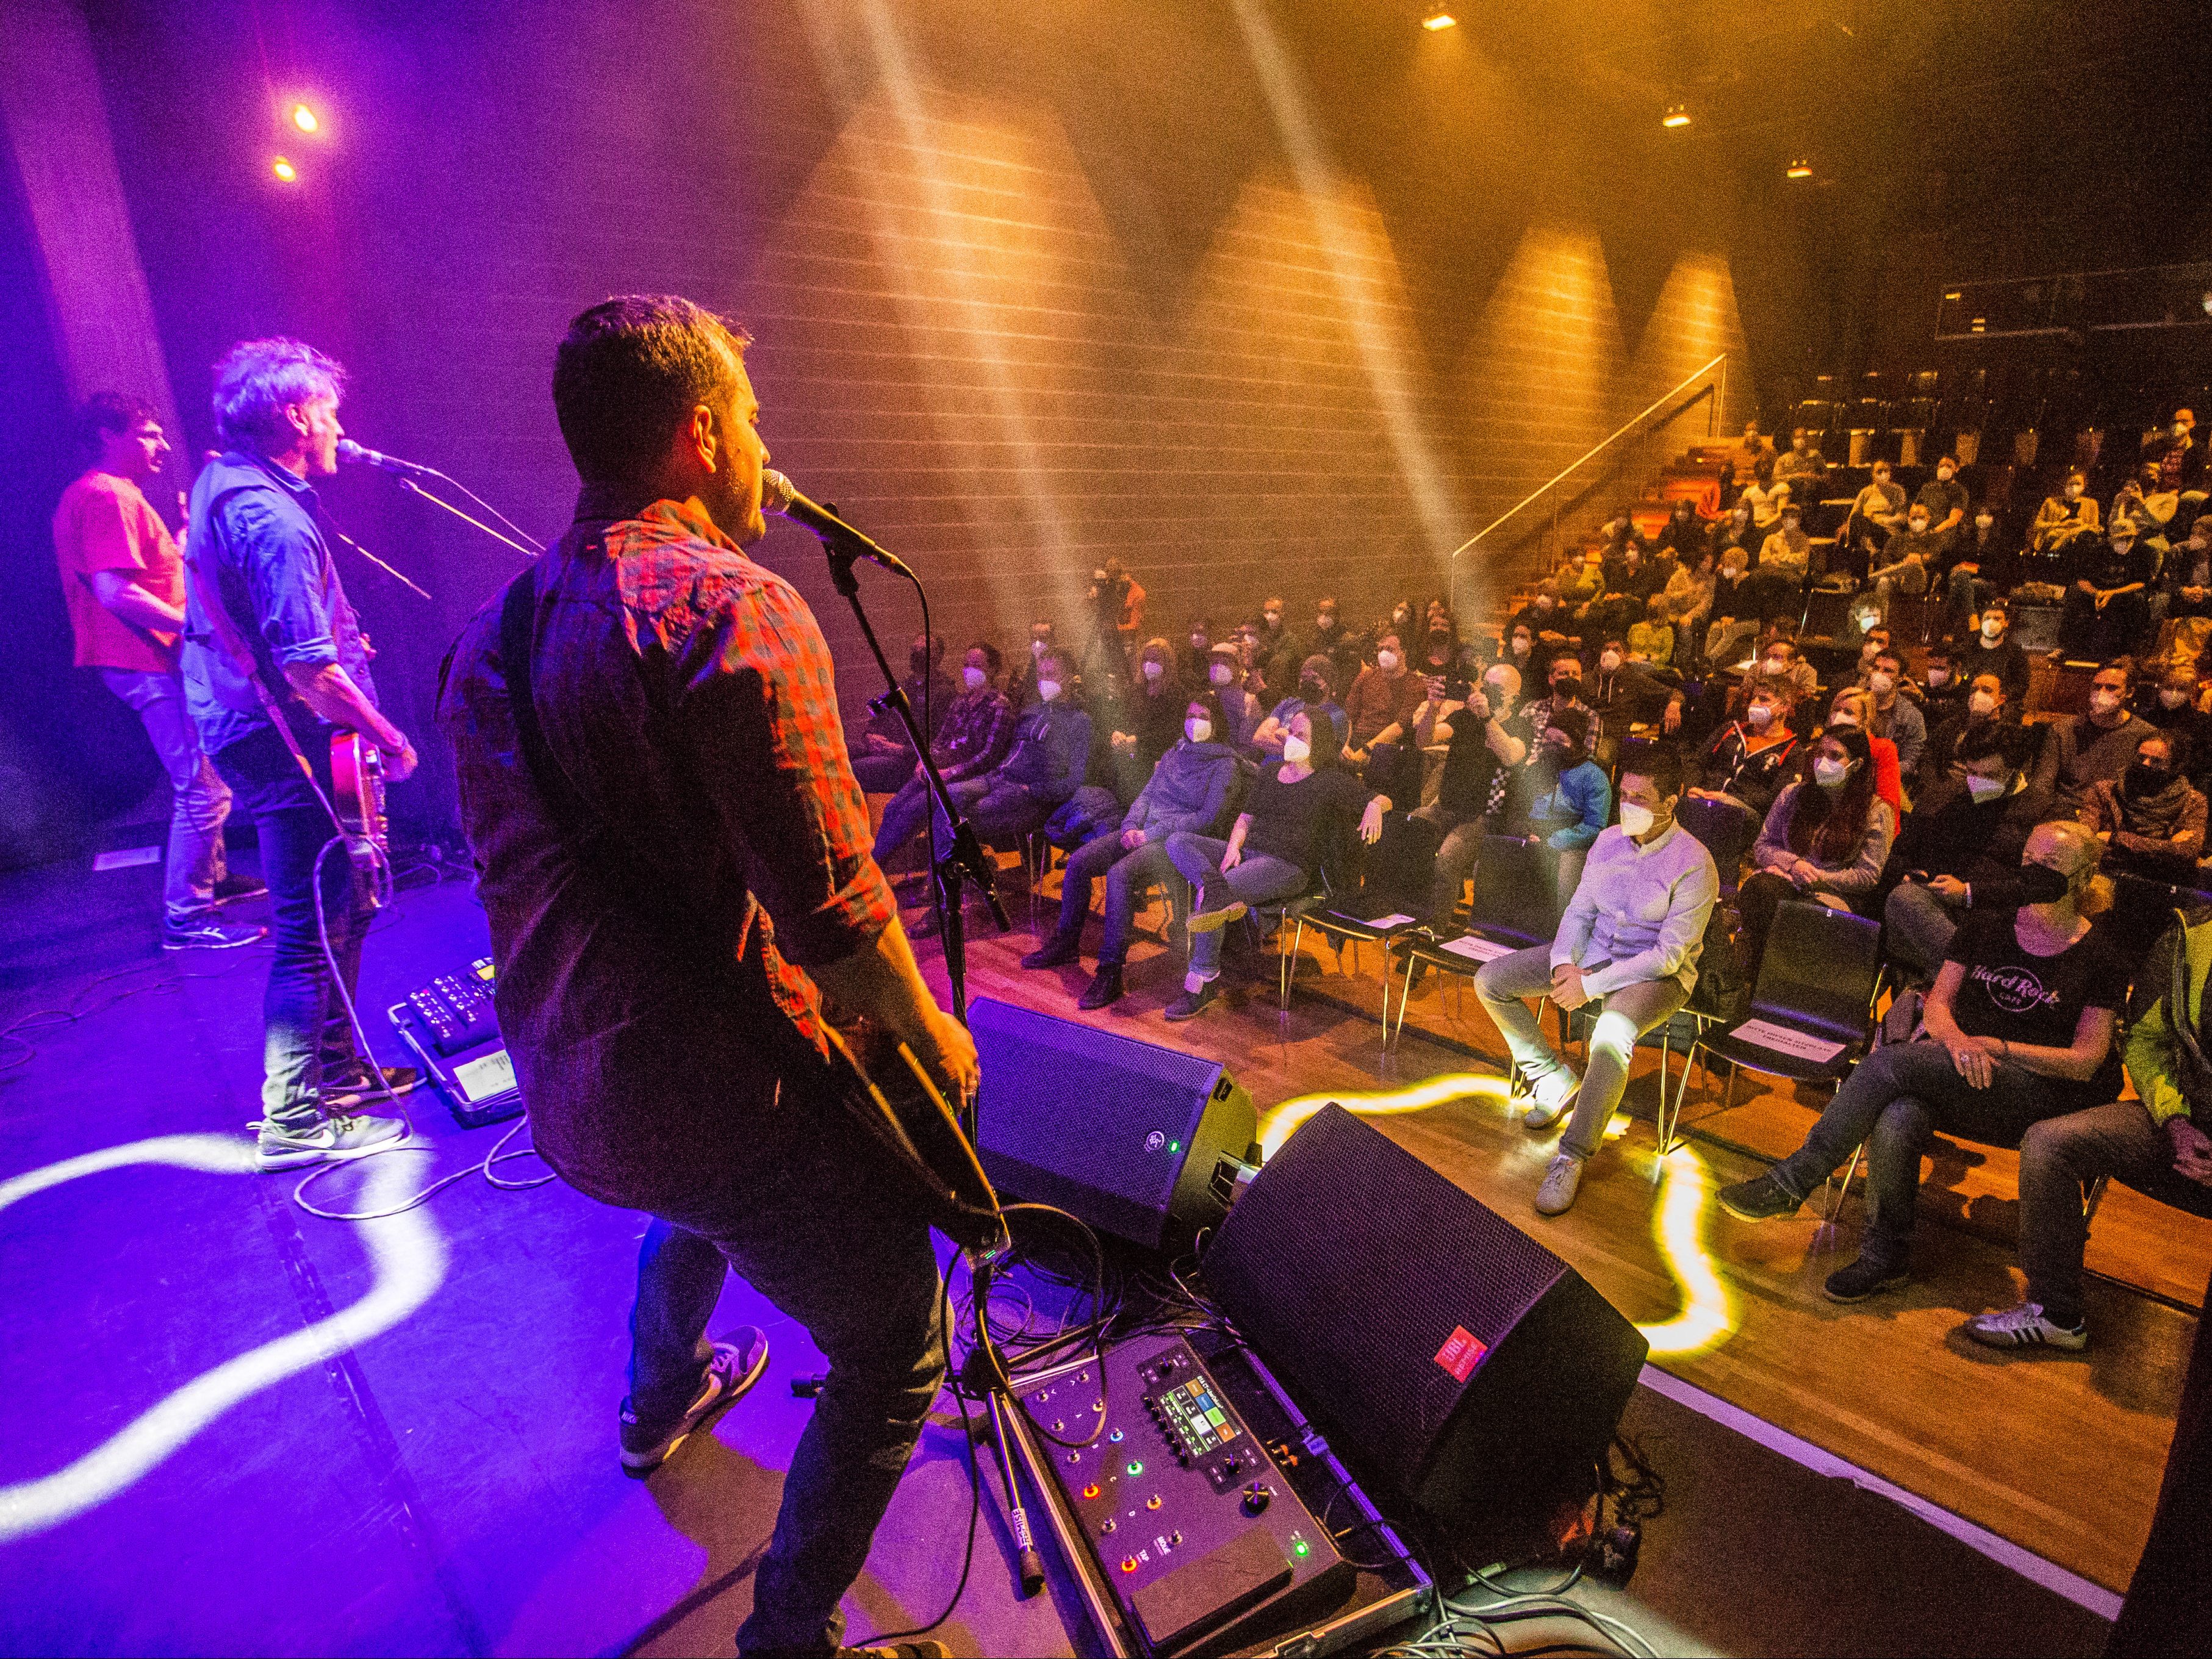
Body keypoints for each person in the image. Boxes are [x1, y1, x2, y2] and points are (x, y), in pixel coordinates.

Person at [436, 295, 981, 1655]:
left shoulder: (492, 636)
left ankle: (657, 1397)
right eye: (750, 417)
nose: (762, 444)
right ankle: (787, 1633)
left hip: (570, 1086)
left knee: (687, 1199)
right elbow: (838, 921)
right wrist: (931, 1041)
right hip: (709, 1099)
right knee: (897, 1344)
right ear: (698, 436)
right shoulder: (736, 611)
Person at [182, 339, 420, 1170]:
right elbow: (308, 668)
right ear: (294, 415)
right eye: (327, 411)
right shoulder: (273, 519)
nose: (338, 427)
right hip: (289, 742)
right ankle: (293, 1118)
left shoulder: (224, 481)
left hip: (250, 726)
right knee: (310, 921)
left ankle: (337, 1070)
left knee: (345, 900)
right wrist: (389, 739)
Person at [1718, 823, 2126, 1308]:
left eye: (2050, 867)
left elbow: (2086, 1061)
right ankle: (1885, 1256)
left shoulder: (2102, 956)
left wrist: (1993, 1047)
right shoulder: (1990, 926)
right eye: (2028, 860)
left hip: (2042, 1091)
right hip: (1963, 1069)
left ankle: (1793, 1180)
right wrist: (1959, 1045)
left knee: (1889, 1066)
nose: (2033, 874)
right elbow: (1938, 1006)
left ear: (2083, 878)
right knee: (1899, 1114)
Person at [53, 392, 262, 949]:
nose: (163, 444)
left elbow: (146, 574)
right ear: (107, 435)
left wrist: (183, 542)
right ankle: (187, 917)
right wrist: (193, 627)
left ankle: (213, 879)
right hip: (144, 659)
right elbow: (114, 591)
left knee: (204, 777)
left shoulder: (115, 496)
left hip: (150, 657)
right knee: (203, 788)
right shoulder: (106, 495)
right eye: (147, 433)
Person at [1473, 749, 1717, 1217]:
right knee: (1491, 980)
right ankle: (1553, 1079)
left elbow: (1668, 956)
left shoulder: (1696, 863)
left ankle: (1573, 1155)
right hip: (1594, 954)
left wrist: (1593, 985)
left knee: (1611, 1033)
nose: (1626, 804)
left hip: (1657, 974)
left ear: (1672, 800)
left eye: (1639, 797)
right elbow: (1580, 912)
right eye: (1623, 793)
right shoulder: (1606, 840)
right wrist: (1565, 963)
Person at [1991, 905, 2212, 1351]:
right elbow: (2146, 1042)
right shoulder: (2194, 934)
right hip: (2187, 1123)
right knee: (2050, 1142)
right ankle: (2056, 1315)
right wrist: (2175, 1120)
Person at [1163, 710, 1387, 1022]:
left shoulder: (1331, 781)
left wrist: (1375, 805)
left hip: (1288, 866)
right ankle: (1214, 887)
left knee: (1214, 896)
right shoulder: (1270, 774)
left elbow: (1383, 798)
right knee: (1178, 841)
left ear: (1318, 744)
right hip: (1251, 854)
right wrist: (1233, 847)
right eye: (1291, 731)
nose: (1290, 739)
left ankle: (1203, 982)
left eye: (1301, 735)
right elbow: (1245, 818)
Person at [1024, 690, 1238, 1009]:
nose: (1195, 723)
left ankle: (1111, 970)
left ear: (1217, 723)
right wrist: (1129, 827)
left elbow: (1207, 818)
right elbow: (1147, 795)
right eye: (1191, 715)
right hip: (1142, 831)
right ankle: (1066, 942)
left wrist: (1150, 833)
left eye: (1204, 717)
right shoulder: (1173, 753)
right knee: (1081, 861)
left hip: (1175, 842)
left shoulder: (1225, 765)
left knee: (1120, 874)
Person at [1882, 729, 2049, 984]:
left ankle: (1959, 981)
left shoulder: (2043, 811)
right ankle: (1974, 979)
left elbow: (2039, 884)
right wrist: (1907, 874)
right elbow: (1900, 852)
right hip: (1936, 906)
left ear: (2015, 770)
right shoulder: (1944, 796)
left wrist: (1970, 892)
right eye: (1972, 773)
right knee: (1903, 899)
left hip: (1996, 915)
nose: (1978, 782)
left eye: (1990, 776)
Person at [1736, 727, 1896, 983]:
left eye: (1835, 756)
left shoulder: (1877, 811)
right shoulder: (1794, 794)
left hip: (1835, 894)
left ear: (1857, 764)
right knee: (1761, 891)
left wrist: (1818, 877)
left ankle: (1778, 987)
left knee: (1804, 915)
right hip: (1787, 878)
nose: (1823, 762)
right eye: (1820, 753)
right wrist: (1794, 864)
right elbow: (1763, 846)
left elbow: (1868, 876)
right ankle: (1757, 984)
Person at [870, 642, 1018, 871]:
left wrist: (949, 772)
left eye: (976, 665)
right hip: (939, 769)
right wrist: (925, 760)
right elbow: (942, 739)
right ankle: (874, 862)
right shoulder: (960, 701)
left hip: (966, 775)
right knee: (893, 807)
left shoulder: (1000, 706)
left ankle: (879, 866)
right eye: (967, 664)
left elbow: (989, 756)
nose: (969, 670)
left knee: (911, 811)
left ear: (994, 669)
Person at [1409, 662, 1529, 932]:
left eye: (1495, 687)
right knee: (1408, 828)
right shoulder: (1465, 717)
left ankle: (1434, 932)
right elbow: (1423, 740)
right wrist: (1433, 707)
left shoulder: (1520, 726)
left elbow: (1510, 755)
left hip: (1484, 816)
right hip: (1446, 806)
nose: (1486, 691)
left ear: (1514, 695)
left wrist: (1488, 718)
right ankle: (1409, 915)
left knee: (1447, 860)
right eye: (1485, 684)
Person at [1512, 705, 1612, 905]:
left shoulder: (1593, 776)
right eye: (1548, 740)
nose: (1552, 746)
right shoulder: (1537, 770)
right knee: (1495, 859)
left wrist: (1553, 840)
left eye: (1560, 741)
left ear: (1576, 743)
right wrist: (1523, 832)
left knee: (1567, 873)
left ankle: (1562, 928)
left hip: (1571, 841)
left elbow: (1595, 826)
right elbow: (1518, 809)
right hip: (1533, 833)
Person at [2079, 730, 2206, 883]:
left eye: (2156, 761)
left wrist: (2115, 838)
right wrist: (2166, 846)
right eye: (2141, 757)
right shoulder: (2104, 791)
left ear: (2174, 767)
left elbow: (2187, 852)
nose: (2145, 764)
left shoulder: (2193, 801)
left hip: (2160, 882)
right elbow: (2086, 840)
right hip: (2107, 876)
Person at [2034, 661, 2150, 819]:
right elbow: (2042, 785)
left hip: (2111, 817)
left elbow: (2144, 792)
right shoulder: (2063, 730)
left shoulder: (2145, 736)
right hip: (2065, 813)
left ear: (2129, 692)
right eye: (2097, 687)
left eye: (2111, 688)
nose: (2102, 693)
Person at [849, 632, 954, 793]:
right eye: (915, 649)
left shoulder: (944, 693)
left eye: (922, 650)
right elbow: (879, 715)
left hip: (906, 760)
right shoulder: (905, 686)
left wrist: (895, 748)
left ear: (936, 657)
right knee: (842, 753)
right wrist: (870, 735)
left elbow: (937, 743)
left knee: (853, 770)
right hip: (884, 750)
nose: (916, 654)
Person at [1686, 682, 1799, 819]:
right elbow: (1697, 761)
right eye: (1754, 698)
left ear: (1784, 707)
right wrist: (1692, 786)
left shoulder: (1793, 750)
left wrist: (1729, 799)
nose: (1754, 703)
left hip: (1741, 814)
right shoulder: (1730, 729)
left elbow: (1776, 797)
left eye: (1764, 699)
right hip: (1701, 798)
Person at [2060, 521, 2155, 661]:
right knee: (2075, 594)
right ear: (2111, 538)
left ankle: (2131, 653)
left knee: (2139, 600)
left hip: (2124, 595)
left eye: (2129, 539)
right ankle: (2068, 648)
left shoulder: (2142, 552)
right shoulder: (2097, 551)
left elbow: (2141, 583)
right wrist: (2097, 593)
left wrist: (2113, 594)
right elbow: (2082, 580)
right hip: (2098, 593)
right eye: (2121, 538)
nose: (2125, 542)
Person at [1341, 630, 1427, 758]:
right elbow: (1349, 716)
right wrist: (1345, 745)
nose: (1383, 654)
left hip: (1387, 748)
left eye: (1389, 649)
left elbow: (1400, 727)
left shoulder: (1415, 684)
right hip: (1355, 742)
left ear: (1404, 653)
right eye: (1380, 649)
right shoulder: (1366, 677)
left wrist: (1365, 751)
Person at [1249, 653, 1349, 758]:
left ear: (1329, 684)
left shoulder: (1336, 715)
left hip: (1302, 773)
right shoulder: (1288, 704)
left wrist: (1284, 737)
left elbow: (1318, 756)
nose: (1308, 682)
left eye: (1315, 678)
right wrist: (1297, 748)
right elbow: (1259, 738)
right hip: (1269, 770)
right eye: (1304, 677)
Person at [1824, 686, 1903, 814]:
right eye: (1837, 709)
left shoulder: (1882, 749)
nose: (1839, 715)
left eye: (1848, 712)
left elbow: (1888, 803)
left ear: (1866, 718)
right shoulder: (1824, 744)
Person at [1861, 648, 1926, 780]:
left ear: (1901, 677)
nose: (1879, 674)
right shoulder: (1855, 704)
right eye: (1876, 668)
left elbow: (1910, 762)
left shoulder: (1912, 716)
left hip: (1887, 780)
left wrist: (1878, 772)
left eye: (1888, 671)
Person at [1954, 597, 2031, 706]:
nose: (1991, 622)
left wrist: (1998, 698)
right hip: (1970, 704)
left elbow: (2021, 685)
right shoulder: (1968, 649)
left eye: (1997, 618)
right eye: (1987, 618)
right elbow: (1961, 680)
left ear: (2006, 622)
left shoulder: (2015, 653)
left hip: (2003, 706)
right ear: (1981, 622)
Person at [2026, 470, 2102, 578]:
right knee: (2053, 537)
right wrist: (2060, 524)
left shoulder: (2091, 504)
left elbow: (2095, 527)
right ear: (2065, 485)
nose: (2073, 487)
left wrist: (2076, 529)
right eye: (2071, 483)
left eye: (2078, 483)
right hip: (2052, 543)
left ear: (2084, 486)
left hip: (2077, 542)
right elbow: (2037, 525)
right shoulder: (2051, 502)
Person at [1839, 460, 1907, 578]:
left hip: (1886, 531)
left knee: (1864, 527)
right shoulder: (1866, 492)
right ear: (1873, 474)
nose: (1883, 473)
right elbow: (1854, 515)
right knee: (1857, 519)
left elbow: (1902, 517)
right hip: (1867, 530)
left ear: (1890, 473)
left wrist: (1882, 521)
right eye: (1879, 471)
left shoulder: (1897, 490)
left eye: (1886, 471)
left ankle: (1862, 552)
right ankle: (1857, 564)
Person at [1205, 640, 1264, 751]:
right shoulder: (1207, 699)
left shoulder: (1249, 703)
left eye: (1225, 663)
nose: (1218, 667)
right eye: (1214, 663)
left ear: (1238, 668)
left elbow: (1246, 749)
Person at [2162, 515, 2212, 622]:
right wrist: (2183, 591)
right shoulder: (2179, 550)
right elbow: (2164, 580)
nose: (2195, 537)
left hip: (2206, 598)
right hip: (2182, 597)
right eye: (2193, 533)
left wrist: (2205, 593)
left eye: (2201, 534)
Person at [1627, 593, 1676, 668]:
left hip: (1656, 669)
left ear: (1661, 608)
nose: (1651, 606)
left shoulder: (1666, 631)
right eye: (1650, 603)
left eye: (1655, 605)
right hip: (1634, 666)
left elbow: (1665, 657)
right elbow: (1628, 649)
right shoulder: (1635, 628)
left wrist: (1646, 657)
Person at [1774, 428, 1830, 492]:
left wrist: (1815, 477)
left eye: (1803, 437)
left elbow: (1827, 475)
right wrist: (1796, 476)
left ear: (1808, 439)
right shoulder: (1784, 459)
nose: (1800, 440)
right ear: (1793, 440)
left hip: (1813, 492)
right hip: (1793, 493)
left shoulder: (1815, 455)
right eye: (1797, 437)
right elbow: (1775, 478)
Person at [1729, 420, 1774, 487]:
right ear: (1745, 433)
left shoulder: (1766, 451)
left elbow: (1771, 471)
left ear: (1758, 434)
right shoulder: (1736, 450)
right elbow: (1727, 465)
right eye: (1749, 430)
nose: (1752, 433)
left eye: (1754, 430)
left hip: (1756, 486)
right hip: (1737, 484)